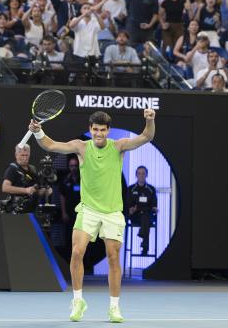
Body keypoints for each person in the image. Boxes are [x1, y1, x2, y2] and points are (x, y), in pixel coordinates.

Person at [29, 108, 156, 323]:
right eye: (95, 129)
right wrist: (38, 132)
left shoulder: (118, 146)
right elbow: (50, 145)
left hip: (113, 212)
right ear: (90, 129)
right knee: (77, 252)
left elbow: (147, 136)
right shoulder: (81, 147)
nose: (98, 133)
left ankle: (114, 307)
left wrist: (150, 120)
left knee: (113, 258)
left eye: (103, 130)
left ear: (108, 131)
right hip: (87, 210)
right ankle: (78, 301)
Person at [2, 144, 48, 214]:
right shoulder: (12, 169)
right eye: (22, 155)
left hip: (32, 208)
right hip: (17, 209)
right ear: (16, 155)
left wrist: (44, 190)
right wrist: (25, 190)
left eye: (27, 155)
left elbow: (37, 190)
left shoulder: (32, 169)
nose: (25, 158)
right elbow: (5, 188)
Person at [127, 166, 157, 256]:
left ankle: (143, 239)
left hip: (147, 215)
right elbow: (127, 205)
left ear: (146, 175)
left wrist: (155, 209)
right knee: (145, 218)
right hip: (135, 216)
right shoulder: (131, 189)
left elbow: (154, 205)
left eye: (143, 173)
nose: (141, 175)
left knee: (146, 216)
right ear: (136, 175)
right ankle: (145, 247)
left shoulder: (151, 189)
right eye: (139, 173)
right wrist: (131, 209)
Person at [59, 155, 81, 260]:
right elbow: (62, 196)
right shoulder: (65, 180)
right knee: (69, 237)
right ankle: (70, 259)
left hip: (82, 214)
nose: (73, 168)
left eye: (75, 166)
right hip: (69, 213)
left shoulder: (83, 179)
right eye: (71, 166)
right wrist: (63, 213)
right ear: (68, 167)